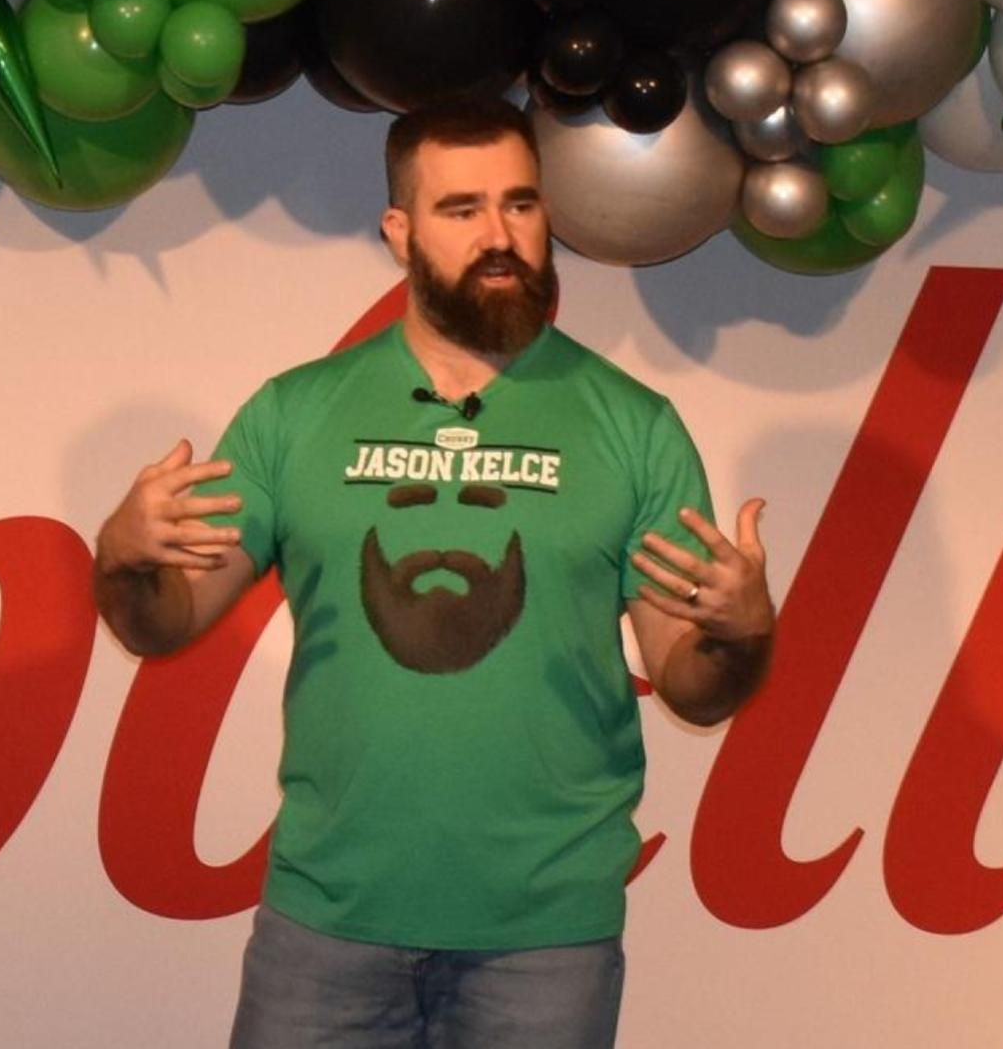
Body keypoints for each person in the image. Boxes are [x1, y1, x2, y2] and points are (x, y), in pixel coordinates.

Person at [93, 95, 776, 1048]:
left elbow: (694, 687)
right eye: (462, 211)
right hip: (326, 927)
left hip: (545, 942)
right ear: (399, 233)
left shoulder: (635, 426)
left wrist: (741, 632)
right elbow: (162, 622)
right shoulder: (296, 414)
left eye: (521, 205)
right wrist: (122, 558)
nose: (500, 236)